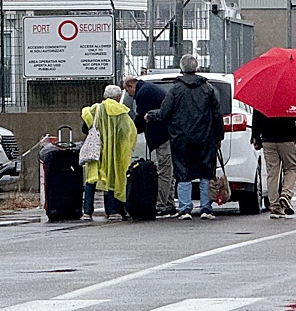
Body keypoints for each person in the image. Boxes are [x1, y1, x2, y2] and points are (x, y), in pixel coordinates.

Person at [147, 54, 224, 220]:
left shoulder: (176, 90)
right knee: (205, 173)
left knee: (183, 173)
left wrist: (151, 116)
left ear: (181, 69)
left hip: (180, 138)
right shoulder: (208, 89)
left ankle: (185, 208)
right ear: (196, 68)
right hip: (205, 137)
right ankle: (206, 208)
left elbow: (165, 113)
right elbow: (216, 115)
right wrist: (219, 136)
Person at [81, 85, 138, 220]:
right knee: (112, 179)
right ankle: (112, 211)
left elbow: (85, 128)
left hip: (96, 150)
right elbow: (128, 132)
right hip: (113, 152)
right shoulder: (121, 111)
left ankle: (87, 212)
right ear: (118, 97)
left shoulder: (95, 109)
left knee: (91, 179)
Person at [124, 75, 175, 218]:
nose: (129, 95)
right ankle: (169, 203)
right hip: (167, 134)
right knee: (168, 170)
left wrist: (131, 132)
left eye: (128, 91)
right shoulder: (148, 89)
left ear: (130, 86)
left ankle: (162, 205)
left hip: (162, 135)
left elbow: (141, 118)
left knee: (164, 171)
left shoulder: (143, 93)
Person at [252, 110, 296, 219]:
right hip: (287, 138)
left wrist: (256, 138)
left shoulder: (262, 95)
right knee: (291, 168)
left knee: (272, 172)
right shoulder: (290, 95)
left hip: (268, 139)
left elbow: (256, 118)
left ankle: (274, 206)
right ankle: (285, 195)